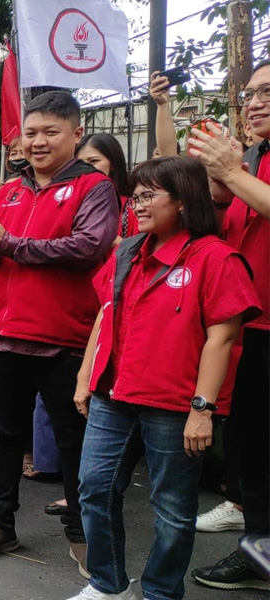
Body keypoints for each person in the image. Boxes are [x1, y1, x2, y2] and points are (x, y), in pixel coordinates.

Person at [69, 156, 261, 600]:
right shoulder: (127, 251)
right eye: (134, 196)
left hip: (175, 405)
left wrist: (203, 410)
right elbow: (106, 313)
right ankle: (107, 583)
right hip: (112, 394)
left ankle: (160, 590)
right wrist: (85, 376)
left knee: (173, 509)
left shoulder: (215, 258)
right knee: (94, 489)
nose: (136, 204)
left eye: (148, 195)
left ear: (183, 200)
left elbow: (224, 337)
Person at [0, 92, 118, 574]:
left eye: (50, 131)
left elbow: (89, 247)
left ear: (76, 134)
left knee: (74, 440)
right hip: (4, 334)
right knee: (2, 435)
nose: (38, 141)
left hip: (67, 337)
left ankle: (82, 531)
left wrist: (8, 244)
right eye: (31, 132)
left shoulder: (94, 187)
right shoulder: (8, 190)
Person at [187, 58, 270, 593]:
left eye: (268, 92)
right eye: (250, 94)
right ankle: (259, 554)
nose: (255, 101)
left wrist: (234, 173)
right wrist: (223, 184)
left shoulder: (249, 166)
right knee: (252, 453)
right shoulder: (254, 159)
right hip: (250, 329)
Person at [77, 132, 136, 239]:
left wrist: (109, 239)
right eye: (79, 163)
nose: (85, 168)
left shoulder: (134, 208)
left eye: (94, 161)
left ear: (113, 163)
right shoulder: (65, 203)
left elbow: (143, 253)